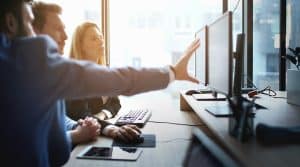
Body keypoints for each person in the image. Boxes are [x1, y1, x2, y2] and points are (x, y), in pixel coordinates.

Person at [0, 0, 199, 166]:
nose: (33, 34)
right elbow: (120, 79)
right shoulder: (32, 60)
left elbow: (49, 127)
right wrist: (172, 73)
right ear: (10, 22)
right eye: (29, 22)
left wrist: (79, 133)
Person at [31, 2, 141, 143]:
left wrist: (100, 118)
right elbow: (78, 115)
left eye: (100, 37)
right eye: (94, 38)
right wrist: (85, 130)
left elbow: (115, 103)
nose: (65, 36)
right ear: (80, 45)